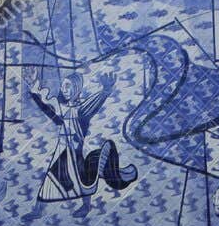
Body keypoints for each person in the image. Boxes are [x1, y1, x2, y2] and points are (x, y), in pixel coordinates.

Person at [27, 69, 137, 212]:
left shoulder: (81, 110)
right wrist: (34, 89)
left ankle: (85, 206)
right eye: (63, 85)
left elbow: (93, 104)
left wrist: (105, 91)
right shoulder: (63, 109)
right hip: (62, 151)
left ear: (77, 88)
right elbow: (48, 108)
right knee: (52, 181)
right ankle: (37, 211)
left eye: (69, 86)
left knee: (82, 181)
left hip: (73, 153)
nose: (64, 89)